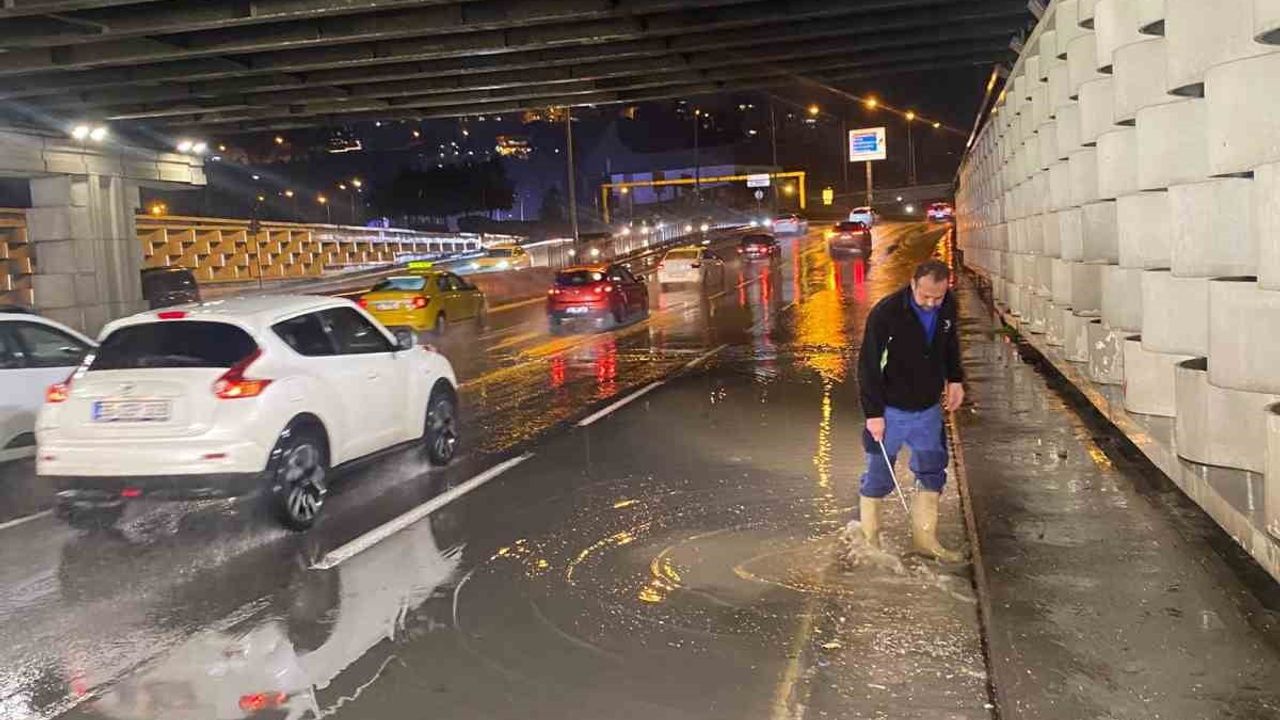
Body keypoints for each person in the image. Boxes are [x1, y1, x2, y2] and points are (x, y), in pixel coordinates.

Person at [856, 259, 965, 562]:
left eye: (938, 297)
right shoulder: (887, 314)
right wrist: (873, 414)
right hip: (890, 411)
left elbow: (950, 344)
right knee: (879, 477)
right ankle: (870, 542)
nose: (931, 303)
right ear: (913, 283)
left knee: (932, 472)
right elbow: (867, 366)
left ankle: (925, 540)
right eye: (925, 296)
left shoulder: (948, 306)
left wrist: (955, 379)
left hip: (928, 410)